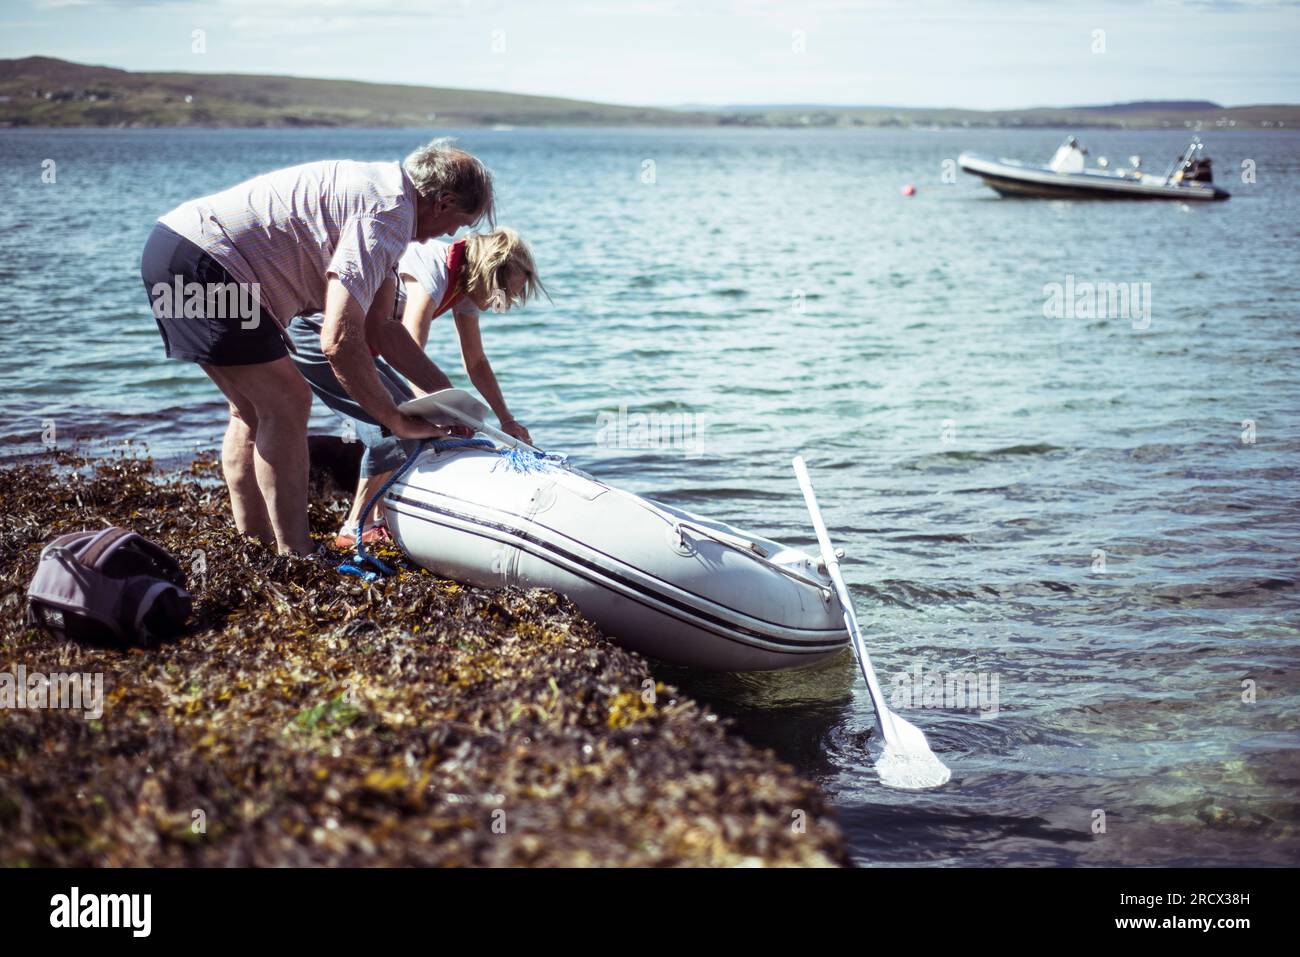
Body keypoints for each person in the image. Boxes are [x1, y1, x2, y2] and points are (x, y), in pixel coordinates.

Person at [139, 139, 494, 555]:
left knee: (252, 410)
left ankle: (255, 545)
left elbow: (382, 331)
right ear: (443, 201)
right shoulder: (388, 215)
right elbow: (339, 340)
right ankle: (297, 555)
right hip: (209, 262)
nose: (451, 234)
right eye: (458, 221)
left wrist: (449, 400)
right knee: (287, 401)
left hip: (174, 246)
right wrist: (394, 420)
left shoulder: (386, 196)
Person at [286, 227, 548, 547]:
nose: (502, 303)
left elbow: (476, 361)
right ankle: (354, 528)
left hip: (358, 345)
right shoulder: (435, 271)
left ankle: (382, 519)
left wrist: (505, 418)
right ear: (486, 272)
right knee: (392, 430)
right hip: (321, 337)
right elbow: (410, 346)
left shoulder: (466, 289)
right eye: (503, 293)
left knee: (412, 433)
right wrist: (434, 412)